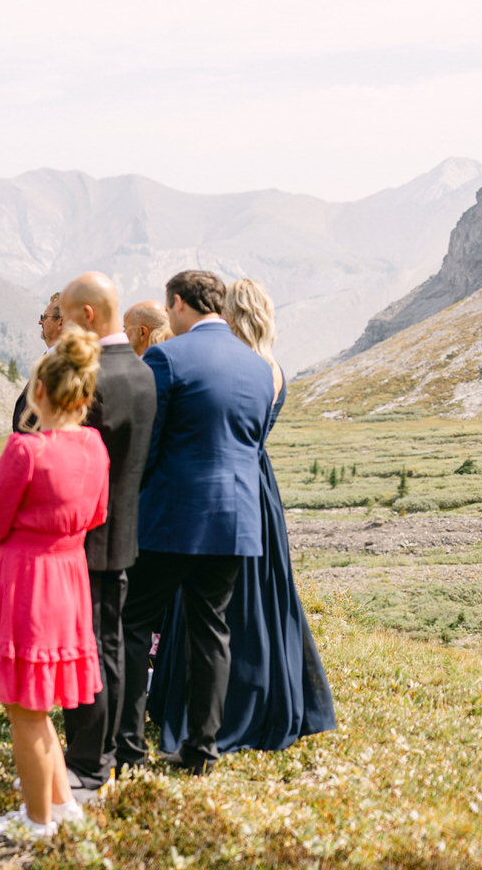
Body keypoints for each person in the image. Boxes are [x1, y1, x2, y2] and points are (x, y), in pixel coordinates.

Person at [146, 279, 337, 754]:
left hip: (203, 495)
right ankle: (251, 702)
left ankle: (189, 705)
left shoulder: (217, 363)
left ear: (231, 314)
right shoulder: (267, 369)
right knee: (249, 603)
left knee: (205, 607)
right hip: (252, 492)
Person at [114, 270, 274, 776]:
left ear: (178, 304)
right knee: (212, 631)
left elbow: (148, 439)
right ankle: (202, 750)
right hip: (235, 521)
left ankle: (128, 745)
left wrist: (130, 499)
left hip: (171, 517)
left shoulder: (167, 356)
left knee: (133, 622)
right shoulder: (257, 367)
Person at [0, 327, 108, 841]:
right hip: (69, 578)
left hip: (27, 581)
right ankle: (60, 804)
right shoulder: (94, 446)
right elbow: (96, 515)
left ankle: (36, 821)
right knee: (40, 700)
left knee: (25, 709)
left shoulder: (25, 451)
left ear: (39, 392)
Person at [57, 273, 156, 800]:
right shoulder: (141, 373)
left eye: (68, 318)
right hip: (122, 534)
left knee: (87, 651)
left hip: (84, 539)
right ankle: (109, 755)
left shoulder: (94, 377)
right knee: (112, 647)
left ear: (89, 317)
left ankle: (89, 764)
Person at [13, 292, 64, 432]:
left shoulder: (65, 365)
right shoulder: (48, 359)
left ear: (60, 322)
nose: (40, 322)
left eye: (44, 317)